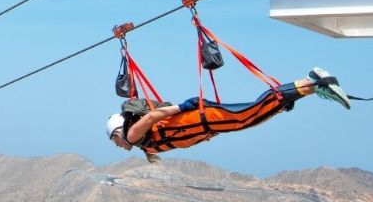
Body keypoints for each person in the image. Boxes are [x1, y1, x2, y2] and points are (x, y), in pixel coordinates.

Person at [106, 68, 349, 159]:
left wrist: (183, 107)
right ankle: (307, 89)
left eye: (114, 139)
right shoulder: (145, 144)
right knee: (252, 117)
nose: (117, 144)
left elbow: (151, 117)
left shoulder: (133, 136)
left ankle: (311, 82)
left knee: (249, 115)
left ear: (119, 131)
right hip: (206, 123)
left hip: (202, 118)